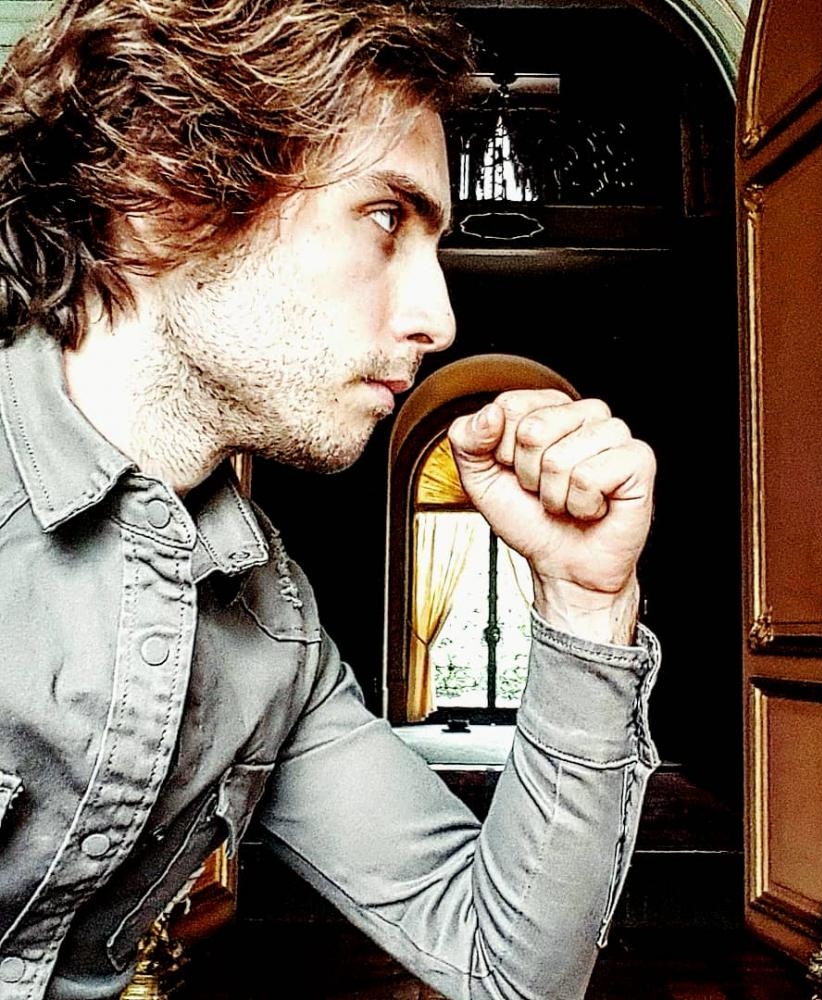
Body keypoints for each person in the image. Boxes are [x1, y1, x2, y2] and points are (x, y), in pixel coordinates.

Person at [0, 1, 661, 998]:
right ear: (165, 190)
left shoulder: (276, 633)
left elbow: (509, 972)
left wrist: (584, 605)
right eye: (386, 218)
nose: (439, 319)